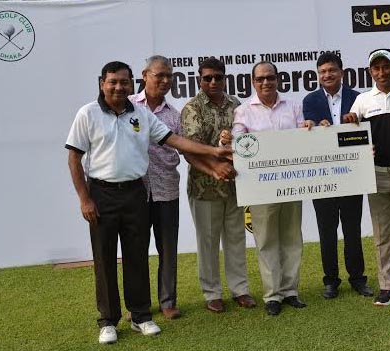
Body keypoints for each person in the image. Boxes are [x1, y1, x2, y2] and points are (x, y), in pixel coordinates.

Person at [66, 61, 234, 344]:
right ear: (102, 84)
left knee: (136, 256)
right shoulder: (88, 113)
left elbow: (177, 141)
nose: (118, 87)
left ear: (132, 83)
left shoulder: (141, 114)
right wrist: (85, 199)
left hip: (135, 192)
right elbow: (74, 158)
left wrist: (214, 151)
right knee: (104, 258)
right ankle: (108, 320)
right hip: (101, 194)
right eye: (112, 82)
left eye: (123, 82)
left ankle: (141, 315)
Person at [223, 61, 314, 316]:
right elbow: (239, 141)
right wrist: (229, 139)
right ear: (253, 82)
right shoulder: (243, 112)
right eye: (261, 78)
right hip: (261, 188)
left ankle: (290, 291)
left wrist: (309, 128)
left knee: (291, 238)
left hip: (292, 184)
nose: (266, 82)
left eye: (270, 78)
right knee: (265, 241)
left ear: (277, 79)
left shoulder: (294, 107)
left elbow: (303, 139)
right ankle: (272, 295)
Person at [181, 57, 256, 313]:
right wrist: (215, 169)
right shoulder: (192, 108)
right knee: (208, 241)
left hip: (236, 185)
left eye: (218, 77)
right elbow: (189, 151)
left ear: (225, 78)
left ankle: (240, 290)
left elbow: (246, 142)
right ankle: (212, 292)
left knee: (236, 239)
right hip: (205, 187)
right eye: (207, 78)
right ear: (199, 79)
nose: (213, 82)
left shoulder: (236, 104)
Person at [346, 49, 390, 306]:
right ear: (370, 72)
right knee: (382, 234)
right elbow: (352, 136)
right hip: (375, 174)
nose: (381, 72)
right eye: (376, 68)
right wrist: (352, 120)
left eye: (386, 66)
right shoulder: (363, 101)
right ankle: (386, 286)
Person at [302, 53, 373, 299]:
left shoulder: (358, 98)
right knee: (326, 230)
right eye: (322, 72)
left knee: (352, 228)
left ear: (341, 72)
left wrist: (355, 123)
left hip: (352, 174)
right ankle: (330, 281)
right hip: (322, 175)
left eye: (331, 70)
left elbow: (367, 132)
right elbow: (306, 134)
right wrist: (310, 126)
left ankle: (358, 279)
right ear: (318, 75)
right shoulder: (310, 100)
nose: (327, 75)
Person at [128, 55, 182, 320]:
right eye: (159, 75)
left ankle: (168, 301)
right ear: (144, 75)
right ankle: (138, 304)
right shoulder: (127, 107)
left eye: (169, 76)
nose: (164, 80)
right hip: (133, 192)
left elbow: (185, 150)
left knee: (168, 249)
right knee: (135, 249)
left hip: (166, 190)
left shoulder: (174, 114)